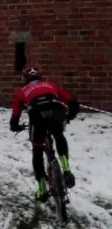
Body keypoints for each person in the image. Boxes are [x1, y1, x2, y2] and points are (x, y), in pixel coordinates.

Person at [9, 66, 79, 202]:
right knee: (59, 136)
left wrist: (15, 127)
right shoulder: (51, 85)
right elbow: (73, 103)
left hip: (37, 117)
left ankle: (42, 187)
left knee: (37, 149)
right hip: (57, 112)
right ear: (40, 77)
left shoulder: (22, 91)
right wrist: (69, 117)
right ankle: (66, 168)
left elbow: (15, 117)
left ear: (25, 79)